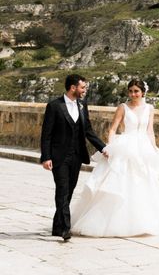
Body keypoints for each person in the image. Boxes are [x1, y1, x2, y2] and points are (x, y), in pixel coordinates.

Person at [70, 78, 159, 236]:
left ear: (143, 92)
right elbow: (112, 129)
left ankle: (144, 222)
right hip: (125, 145)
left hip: (143, 147)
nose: (133, 94)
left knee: (145, 183)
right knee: (120, 181)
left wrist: (155, 148)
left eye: (136, 91)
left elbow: (150, 130)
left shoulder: (149, 108)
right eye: (130, 91)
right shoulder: (123, 107)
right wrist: (110, 147)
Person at [40, 74, 108, 241]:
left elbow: (88, 130)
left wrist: (103, 147)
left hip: (77, 156)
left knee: (69, 191)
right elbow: (46, 134)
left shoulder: (82, 104)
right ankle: (64, 229)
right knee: (62, 190)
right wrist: (46, 157)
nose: (85, 90)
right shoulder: (54, 106)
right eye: (82, 87)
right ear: (73, 88)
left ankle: (57, 226)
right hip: (59, 157)